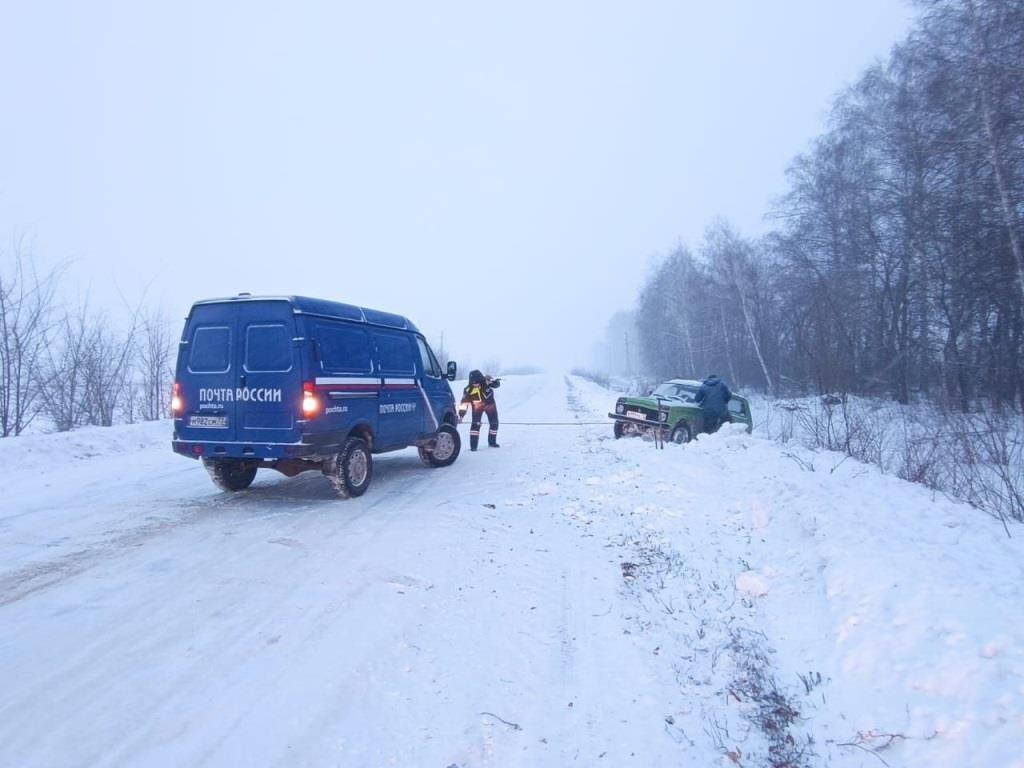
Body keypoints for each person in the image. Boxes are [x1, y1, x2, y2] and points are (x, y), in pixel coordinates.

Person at [460, 370, 501, 451]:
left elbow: (497, 385)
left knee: (494, 423)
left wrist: (492, 381)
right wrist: (461, 415)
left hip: (490, 405)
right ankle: (473, 446)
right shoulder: (468, 390)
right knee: (475, 425)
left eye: (477, 382)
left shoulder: (486, 382)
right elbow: (464, 404)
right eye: (474, 383)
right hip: (477, 407)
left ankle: (492, 442)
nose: (476, 384)